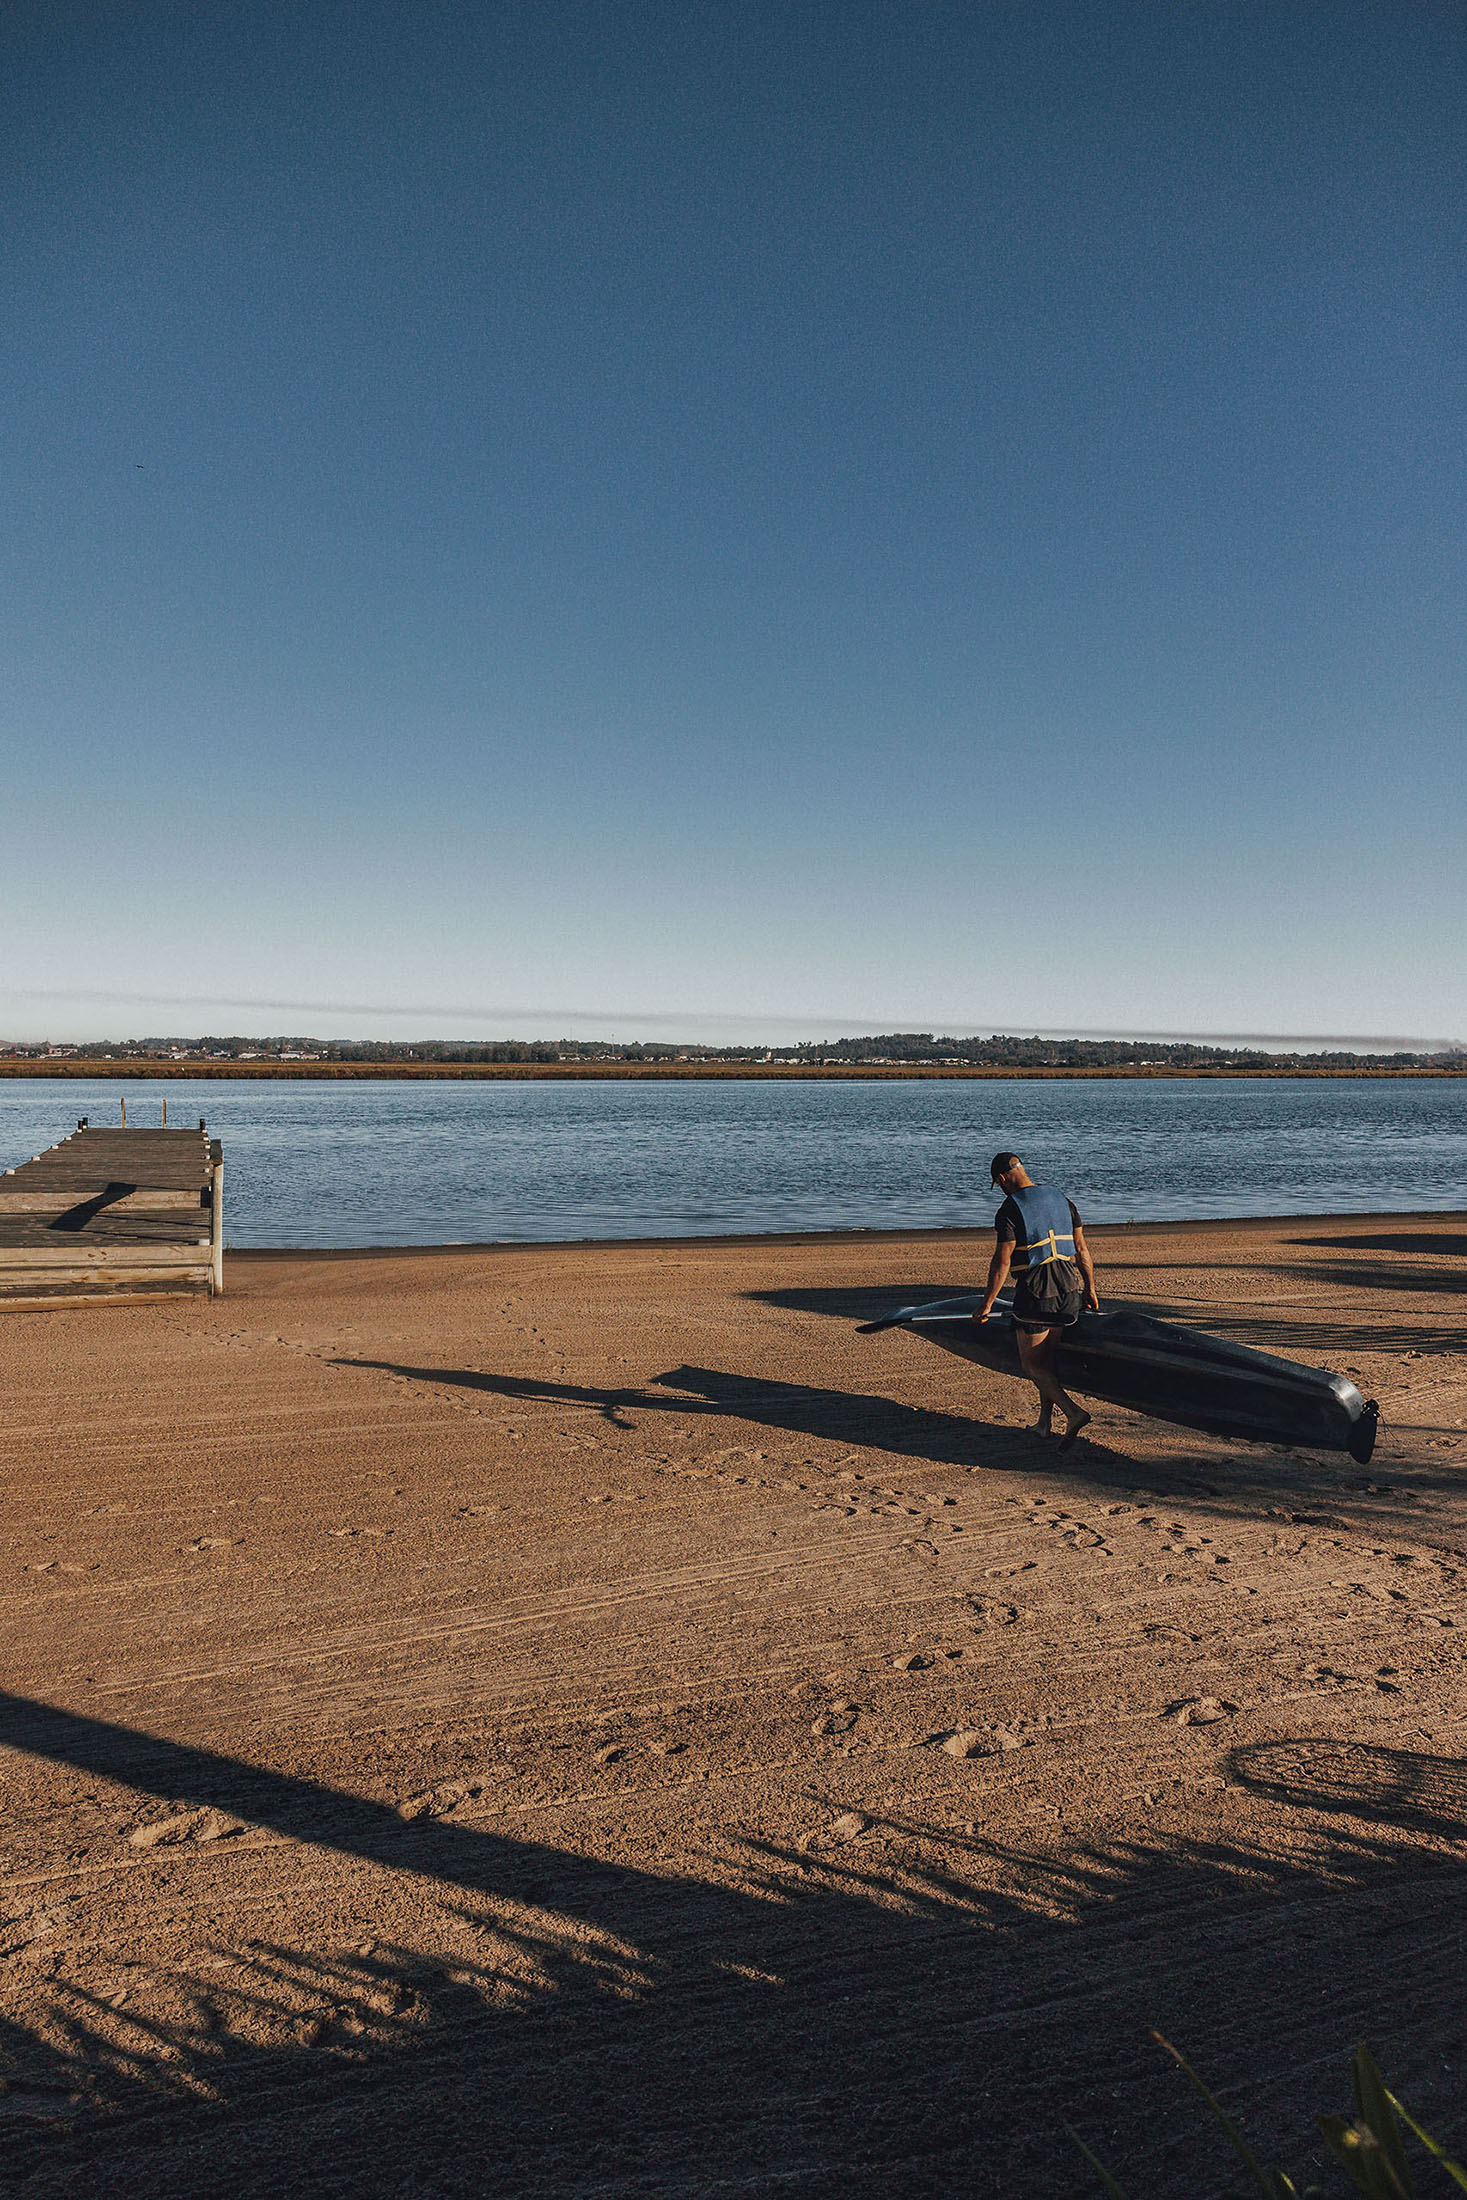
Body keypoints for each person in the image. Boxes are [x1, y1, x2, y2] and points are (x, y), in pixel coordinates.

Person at [974, 1152, 1099, 1448]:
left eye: (998, 1183)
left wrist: (987, 1304)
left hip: (1037, 1294)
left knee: (1032, 1365)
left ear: (1002, 1179)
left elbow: (1002, 1262)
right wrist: (1090, 1289)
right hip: (1069, 1289)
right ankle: (1044, 1423)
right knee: (1047, 1362)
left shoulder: (1009, 1210)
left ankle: (1073, 1412)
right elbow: (1081, 1249)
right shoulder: (1061, 1198)